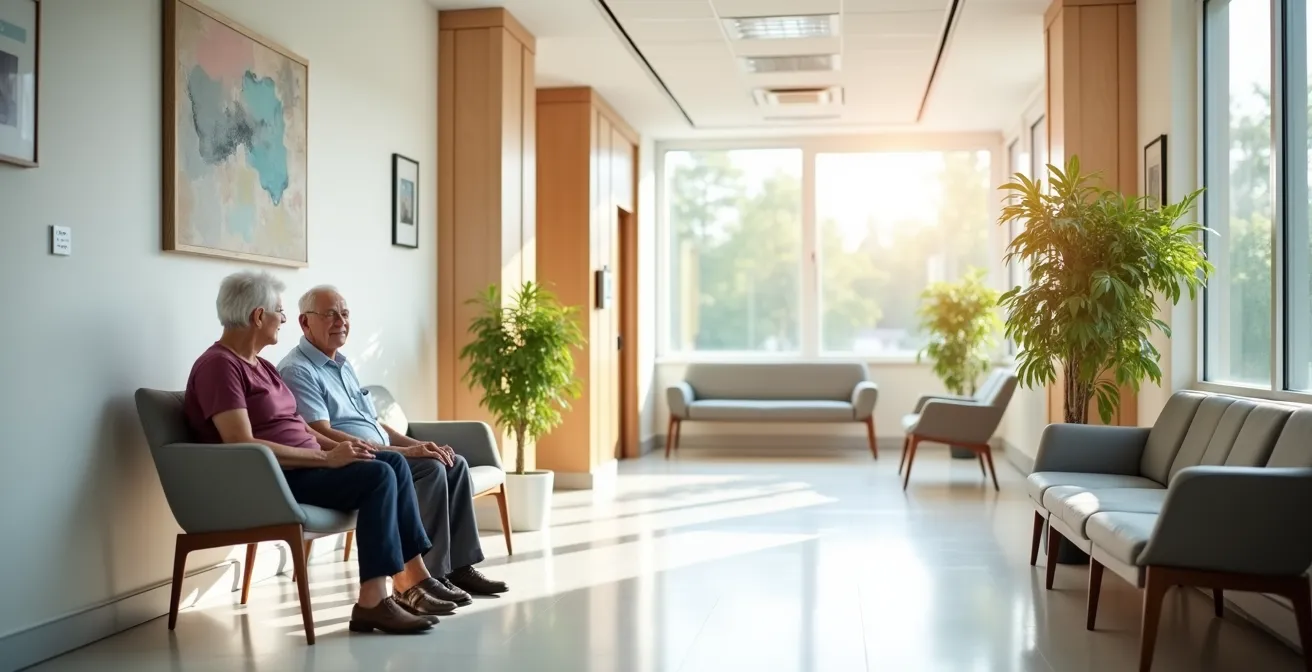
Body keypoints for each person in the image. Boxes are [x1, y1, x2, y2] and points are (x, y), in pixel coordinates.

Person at [183, 271, 454, 634]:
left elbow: (302, 427)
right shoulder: (220, 366)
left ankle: (411, 579)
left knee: (389, 461)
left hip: (305, 466)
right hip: (273, 481)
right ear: (258, 316)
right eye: (279, 312)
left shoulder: (261, 366)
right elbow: (240, 444)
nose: (283, 319)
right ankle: (373, 601)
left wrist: (342, 447)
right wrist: (326, 459)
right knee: (378, 475)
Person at [278, 285, 509, 609]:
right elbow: (319, 433)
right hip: (355, 459)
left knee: (452, 461)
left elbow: (374, 422)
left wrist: (417, 444)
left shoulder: (343, 364)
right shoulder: (298, 369)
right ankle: (430, 575)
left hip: (382, 450)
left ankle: (458, 567)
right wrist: (406, 453)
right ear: (304, 322)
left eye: (344, 313)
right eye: (329, 314)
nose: (340, 321)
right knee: (429, 468)